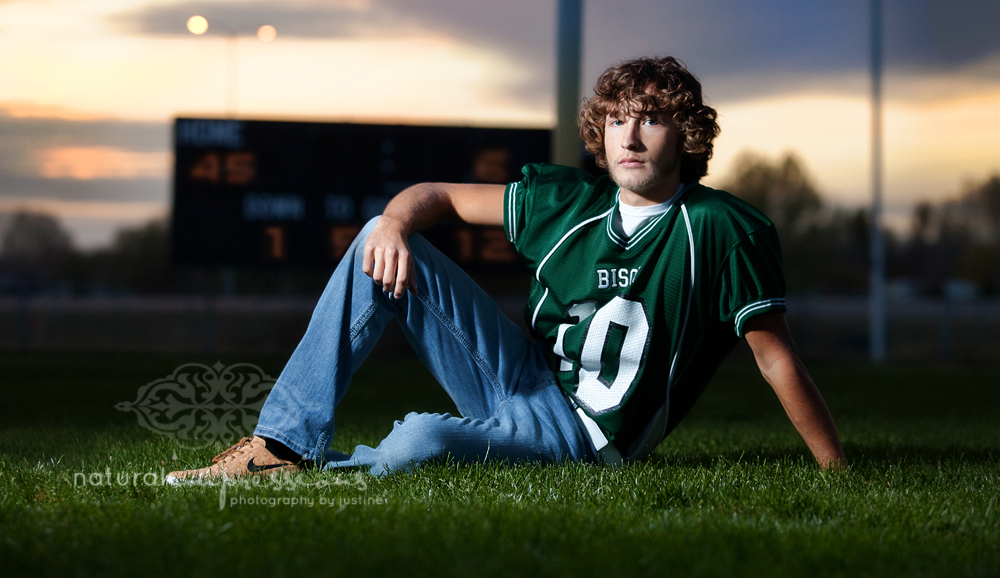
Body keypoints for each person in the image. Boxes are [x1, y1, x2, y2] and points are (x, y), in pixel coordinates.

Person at [167, 56, 845, 483]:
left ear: (687, 134)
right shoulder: (567, 202)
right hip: (521, 373)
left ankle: (330, 474)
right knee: (378, 230)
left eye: (652, 120)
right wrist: (401, 224)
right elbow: (434, 196)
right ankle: (280, 446)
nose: (631, 137)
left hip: (583, 435)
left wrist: (836, 470)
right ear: (599, 133)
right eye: (617, 122)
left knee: (422, 439)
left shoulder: (725, 229)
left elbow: (775, 358)